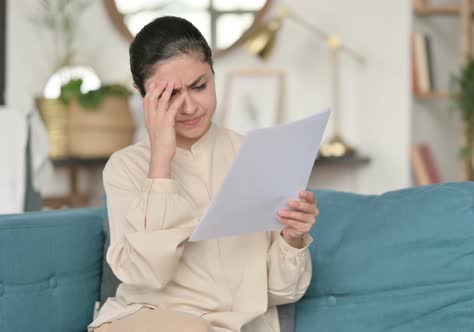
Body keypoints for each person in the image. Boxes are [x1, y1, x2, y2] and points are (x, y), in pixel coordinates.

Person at [89, 16, 318, 332]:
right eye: (168, 94)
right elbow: (149, 274)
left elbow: (282, 293)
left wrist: (292, 239)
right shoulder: (124, 167)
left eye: (199, 86)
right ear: (141, 94)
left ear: (213, 74)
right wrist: (161, 163)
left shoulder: (253, 156)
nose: (188, 107)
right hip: (140, 320)